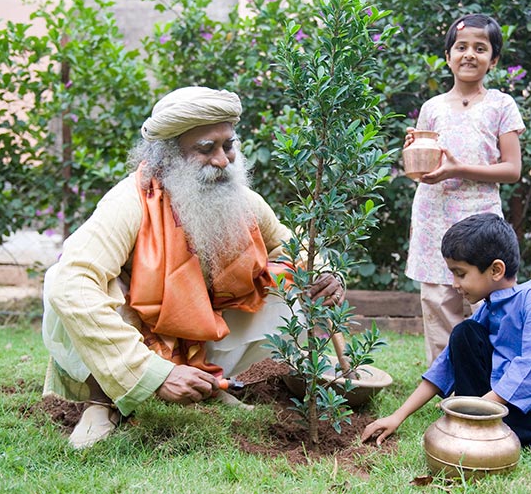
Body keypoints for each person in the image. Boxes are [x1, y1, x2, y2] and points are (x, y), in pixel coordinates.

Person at [41, 86, 344, 449]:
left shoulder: (242, 201)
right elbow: (73, 282)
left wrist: (327, 272)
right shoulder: (128, 201)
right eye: (206, 149)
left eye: (228, 145)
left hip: (197, 323)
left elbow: (291, 245)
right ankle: (100, 403)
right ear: (168, 156)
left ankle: (207, 384)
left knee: (294, 277)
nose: (222, 160)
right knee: (66, 279)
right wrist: (152, 374)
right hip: (136, 324)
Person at [363, 214, 531, 452]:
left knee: (467, 335)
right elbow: (445, 365)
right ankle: (475, 422)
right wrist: (398, 416)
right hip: (502, 409)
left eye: (461, 273)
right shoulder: (488, 309)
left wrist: (480, 408)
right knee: (464, 334)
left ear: (496, 270)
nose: (455, 284)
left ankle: (473, 421)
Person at [404, 13, 525, 363]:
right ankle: (446, 389)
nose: (469, 54)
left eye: (480, 48)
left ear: (494, 59)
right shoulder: (432, 108)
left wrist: (458, 170)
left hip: (480, 219)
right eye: (461, 47)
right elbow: (422, 167)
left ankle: (490, 387)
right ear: (447, 56)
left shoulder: (501, 105)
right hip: (433, 217)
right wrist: (415, 151)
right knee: (439, 303)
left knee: (488, 304)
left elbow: (512, 169)